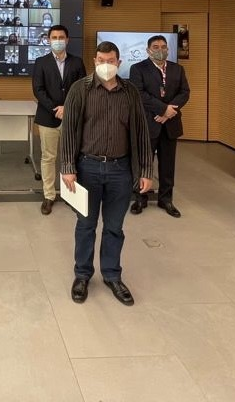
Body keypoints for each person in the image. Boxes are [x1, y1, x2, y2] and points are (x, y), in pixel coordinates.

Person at [59, 41, 154, 306]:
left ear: (118, 63)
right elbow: (68, 129)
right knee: (86, 225)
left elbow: (141, 132)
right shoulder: (80, 89)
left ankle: (112, 275)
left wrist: (146, 170)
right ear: (94, 61)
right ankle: (82, 275)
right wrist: (67, 167)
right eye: (101, 60)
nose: (105, 65)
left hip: (120, 170)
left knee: (114, 227)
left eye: (110, 61)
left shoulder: (130, 92)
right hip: (87, 168)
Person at [128, 35, 190, 218]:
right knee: (143, 162)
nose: (160, 50)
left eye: (163, 46)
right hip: (148, 123)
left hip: (170, 124)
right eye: (155, 47)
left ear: (168, 50)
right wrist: (163, 109)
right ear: (148, 50)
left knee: (168, 165)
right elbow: (139, 93)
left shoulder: (177, 69)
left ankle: (166, 199)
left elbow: (185, 92)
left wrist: (169, 112)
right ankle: (140, 198)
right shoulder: (138, 68)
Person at [31, 25, 86, 215]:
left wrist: (67, 108)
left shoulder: (77, 62)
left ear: (67, 40)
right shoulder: (41, 62)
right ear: (48, 40)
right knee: (48, 157)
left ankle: (71, 194)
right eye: (54, 37)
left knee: (72, 157)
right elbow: (38, 90)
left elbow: (82, 89)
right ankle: (49, 196)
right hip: (48, 117)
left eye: (61, 37)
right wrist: (55, 109)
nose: (57, 40)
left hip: (73, 117)